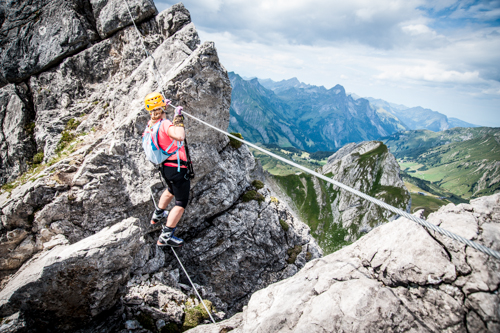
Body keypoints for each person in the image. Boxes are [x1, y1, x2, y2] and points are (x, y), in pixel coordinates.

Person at [143, 92, 189, 247]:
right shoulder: (164, 124)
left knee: (171, 189)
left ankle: (158, 214)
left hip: (166, 168)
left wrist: (164, 107)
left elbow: (158, 121)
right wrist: (178, 118)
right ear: (161, 106)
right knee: (181, 202)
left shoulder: (151, 125)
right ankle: (166, 236)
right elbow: (179, 135)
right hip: (177, 168)